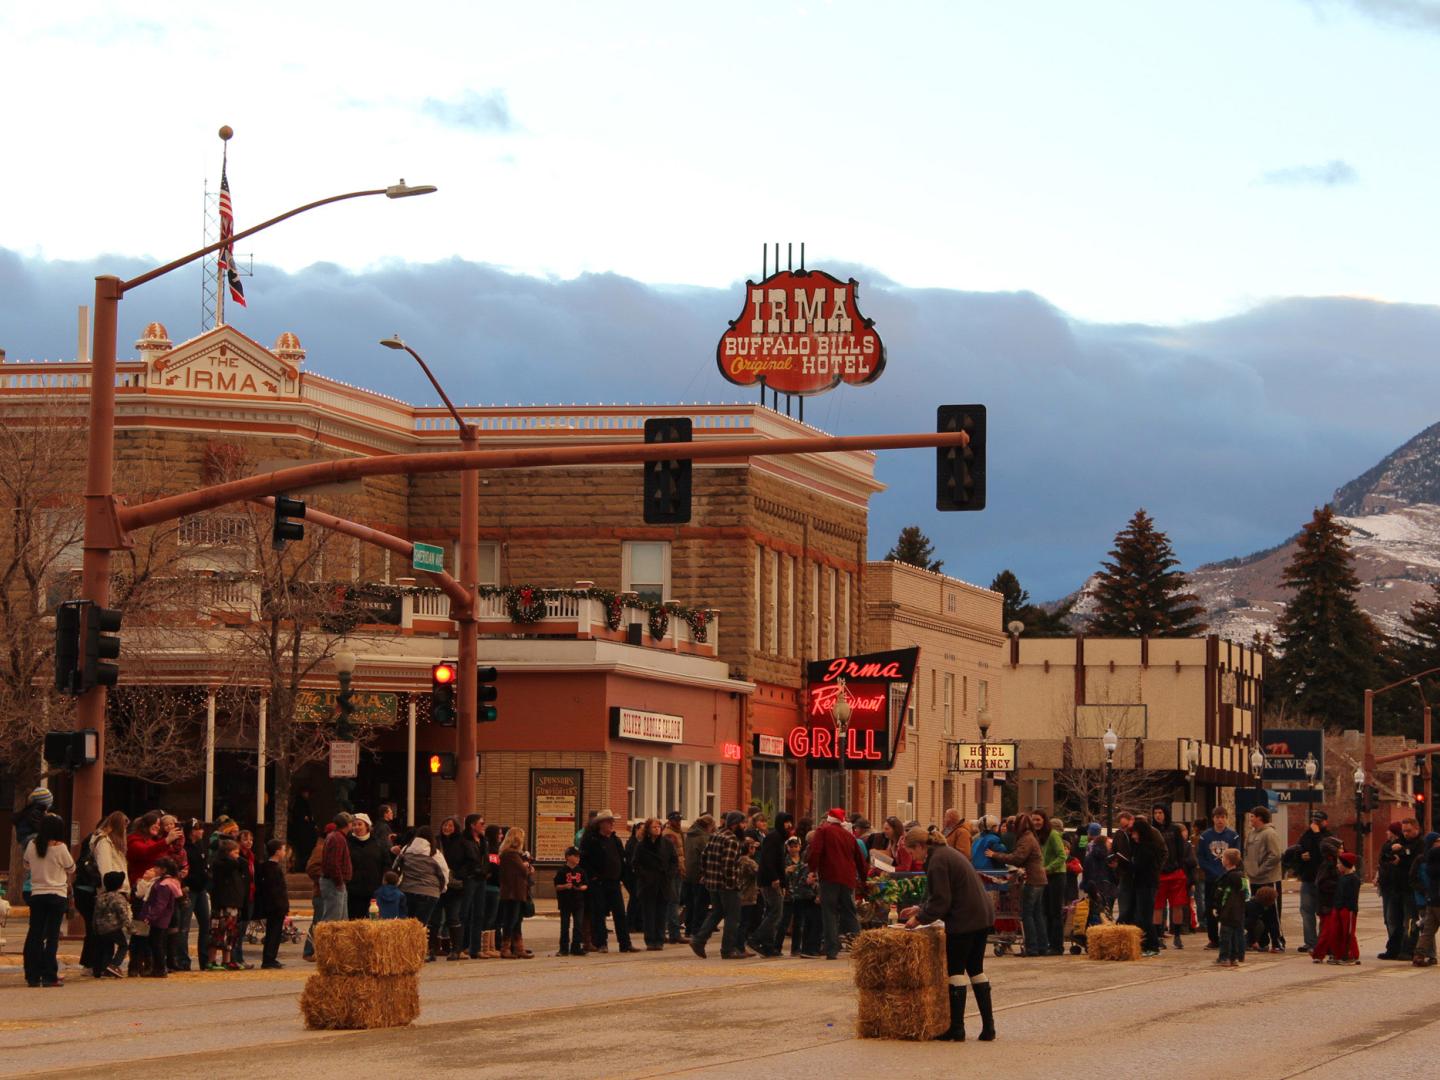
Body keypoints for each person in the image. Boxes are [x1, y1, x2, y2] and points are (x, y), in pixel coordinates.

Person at [899, 826, 997, 1041]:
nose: (913, 857)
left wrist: (919, 919)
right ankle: (988, 1027)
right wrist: (920, 908)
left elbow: (942, 900)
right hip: (982, 916)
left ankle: (957, 1028)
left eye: (912, 851)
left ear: (920, 846)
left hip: (964, 919)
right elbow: (939, 894)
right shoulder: (946, 853)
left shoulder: (937, 861)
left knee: (955, 971)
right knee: (976, 970)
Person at [806, 807, 869, 961]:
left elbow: (815, 852)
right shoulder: (849, 836)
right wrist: (863, 878)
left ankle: (832, 949)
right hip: (848, 879)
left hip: (829, 876)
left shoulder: (823, 831)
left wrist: (812, 870)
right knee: (850, 911)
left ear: (828, 819)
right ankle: (861, 946)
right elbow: (860, 860)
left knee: (829, 912)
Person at [22, 813, 73, 988]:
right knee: (52, 936)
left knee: (35, 935)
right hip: (57, 894)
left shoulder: (32, 845)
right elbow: (71, 867)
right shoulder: (60, 847)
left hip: (37, 894)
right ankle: (49, 975)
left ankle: (33, 975)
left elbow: (26, 864)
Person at [691, 810, 750, 960]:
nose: (745, 826)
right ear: (735, 824)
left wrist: (705, 874)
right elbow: (728, 865)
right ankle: (727, 949)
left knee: (717, 912)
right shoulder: (731, 840)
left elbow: (704, 856)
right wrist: (733, 884)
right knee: (733, 917)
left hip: (713, 883)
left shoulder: (716, 834)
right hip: (726, 885)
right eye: (743, 823)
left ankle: (699, 940)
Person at [78, 811, 128, 973]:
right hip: (107, 890)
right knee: (104, 930)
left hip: (105, 889)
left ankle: (97, 963)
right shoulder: (104, 842)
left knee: (101, 930)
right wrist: (114, 888)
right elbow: (105, 868)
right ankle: (99, 964)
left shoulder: (106, 841)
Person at [580, 809, 636, 953]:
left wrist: (625, 877)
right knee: (599, 914)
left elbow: (622, 860)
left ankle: (625, 944)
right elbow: (584, 861)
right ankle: (601, 943)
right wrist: (592, 877)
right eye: (609, 822)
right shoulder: (591, 840)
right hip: (598, 883)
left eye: (613, 821)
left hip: (614, 882)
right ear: (600, 824)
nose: (612, 824)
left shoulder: (615, 840)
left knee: (620, 914)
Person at [992, 812, 1047, 956]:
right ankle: (1041, 946)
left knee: (1027, 914)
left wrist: (995, 855)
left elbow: (1017, 858)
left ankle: (1032, 948)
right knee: (1036, 914)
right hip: (1039, 879)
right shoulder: (1031, 837)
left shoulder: (1026, 839)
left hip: (1032, 879)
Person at [1379, 818, 1424, 960]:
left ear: (1416, 829)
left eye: (1408, 830)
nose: (1406, 834)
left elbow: (1416, 861)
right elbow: (1385, 855)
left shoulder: (1421, 844)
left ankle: (1408, 950)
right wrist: (1390, 851)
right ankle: (1393, 949)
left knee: (1409, 922)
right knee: (1393, 920)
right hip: (1395, 888)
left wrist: (1402, 856)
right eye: (1404, 831)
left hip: (1410, 889)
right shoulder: (1400, 842)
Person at [751, 811, 794, 956]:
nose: (789, 825)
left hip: (773, 880)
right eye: (786, 822)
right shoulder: (774, 837)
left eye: (790, 822)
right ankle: (756, 938)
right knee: (776, 912)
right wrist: (775, 878)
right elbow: (768, 860)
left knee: (771, 912)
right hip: (770, 881)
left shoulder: (779, 838)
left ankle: (768, 946)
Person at [1197, 807, 1240, 949]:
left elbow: (1237, 855)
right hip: (1211, 878)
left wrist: (1226, 872)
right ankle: (1213, 939)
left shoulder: (1233, 836)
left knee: (1227, 909)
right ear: (1213, 819)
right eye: (1217, 817)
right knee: (1210, 909)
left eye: (1222, 817)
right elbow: (1201, 857)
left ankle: (1227, 938)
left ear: (1226, 818)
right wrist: (1212, 871)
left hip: (1227, 878)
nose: (1220, 820)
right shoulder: (1205, 836)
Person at [1243, 806, 1284, 953]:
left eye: (1252, 816)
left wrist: (1261, 870)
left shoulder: (1270, 833)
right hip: (1254, 880)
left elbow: (1275, 855)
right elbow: (1246, 854)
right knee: (1256, 913)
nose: (1250, 819)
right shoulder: (1251, 834)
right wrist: (1248, 871)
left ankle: (1277, 941)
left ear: (1260, 818)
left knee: (1272, 913)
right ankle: (1261, 941)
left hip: (1268, 879)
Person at [633, 817, 676, 950]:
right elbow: (636, 863)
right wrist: (645, 876)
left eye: (659, 826)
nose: (657, 829)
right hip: (648, 884)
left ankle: (660, 939)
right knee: (649, 913)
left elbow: (674, 861)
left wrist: (669, 874)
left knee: (661, 913)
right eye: (654, 827)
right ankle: (650, 940)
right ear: (648, 830)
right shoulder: (641, 845)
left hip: (663, 882)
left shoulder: (667, 843)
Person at [1150, 804, 1189, 949]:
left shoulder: (1174, 830)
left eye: (1160, 812)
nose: (1158, 815)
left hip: (1175, 872)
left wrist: (1179, 866)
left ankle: (1177, 935)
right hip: (1159, 874)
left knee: (1177, 905)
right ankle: (1159, 936)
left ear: (1165, 813)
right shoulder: (1152, 830)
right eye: (1155, 813)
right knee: (1158, 907)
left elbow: (1181, 850)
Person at [1296, 810, 1333, 954]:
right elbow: (1299, 849)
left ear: (1325, 822)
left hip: (1323, 880)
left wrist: (1317, 834)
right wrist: (1301, 856)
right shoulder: (1306, 835)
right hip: (1308, 878)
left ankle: (1322, 941)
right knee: (1306, 911)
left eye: (1319, 821)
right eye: (1314, 821)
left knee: (1323, 912)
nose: (1315, 824)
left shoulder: (1328, 836)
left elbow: (1324, 851)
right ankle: (1310, 942)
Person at [208, 837, 247, 971]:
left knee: (231, 934)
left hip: (233, 902)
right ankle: (211, 960)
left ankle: (227, 960)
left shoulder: (235, 866)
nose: (238, 856)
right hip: (222, 903)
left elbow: (243, 865)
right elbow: (233, 864)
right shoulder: (221, 864)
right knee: (218, 932)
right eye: (235, 853)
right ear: (228, 852)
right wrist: (233, 858)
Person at [1129, 815, 1166, 957]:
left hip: (1147, 884)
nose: (1132, 836)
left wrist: (1127, 864)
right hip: (1142, 883)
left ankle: (1153, 945)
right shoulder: (1140, 846)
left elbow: (1139, 866)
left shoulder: (1147, 848)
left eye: (1134, 833)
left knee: (1145, 916)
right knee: (1141, 915)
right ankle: (1146, 944)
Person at [140, 858, 182, 978]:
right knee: (156, 943)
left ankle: (160, 968)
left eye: (157, 867)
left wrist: (150, 916)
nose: (154, 869)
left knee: (156, 943)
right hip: (161, 918)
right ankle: (158, 968)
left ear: (163, 870)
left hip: (159, 919)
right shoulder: (166, 882)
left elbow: (160, 904)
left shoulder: (164, 884)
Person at [497, 827, 534, 959]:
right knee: (510, 920)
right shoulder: (510, 854)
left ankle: (519, 948)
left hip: (516, 891)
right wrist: (527, 867)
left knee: (517, 920)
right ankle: (505, 948)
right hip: (512, 892)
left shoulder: (510, 854)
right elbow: (523, 871)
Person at [346, 813, 390, 921]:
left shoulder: (378, 844)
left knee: (373, 922)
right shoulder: (348, 844)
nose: (357, 827)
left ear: (367, 826)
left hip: (373, 890)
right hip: (353, 891)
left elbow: (386, 864)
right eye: (354, 825)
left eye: (360, 824)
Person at [255, 838, 290, 968]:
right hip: (275, 906)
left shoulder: (271, 867)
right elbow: (275, 890)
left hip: (275, 905)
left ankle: (271, 957)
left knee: (275, 933)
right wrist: (281, 905)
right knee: (273, 933)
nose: (285, 852)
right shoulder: (271, 868)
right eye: (283, 849)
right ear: (277, 852)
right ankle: (269, 958)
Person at [91, 871, 133, 979]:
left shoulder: (100, 897)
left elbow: (95, 914)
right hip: (113, 927)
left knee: (106, 948)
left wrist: (95, 927)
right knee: (123, 946)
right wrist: (129, 927)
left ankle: (102, 969)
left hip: (101, 927)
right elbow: (123, 914)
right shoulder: (118, 898)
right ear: (119, 885)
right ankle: (114, 965)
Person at [1212, 848, 1247, 968]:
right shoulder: (1242, 876)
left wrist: (1217, 907)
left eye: (1223, 858)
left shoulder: (1227, 878)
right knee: (1236, 935)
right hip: (1238, 910)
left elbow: (1222, 894)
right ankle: (1235, 957)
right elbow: (1246, 894)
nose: (1222, 860)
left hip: (1227, 910)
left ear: (1227, 861)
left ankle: (1224, 957)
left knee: (1225, 935)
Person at [1410, 831, 1440, 967]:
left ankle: (1419, 955)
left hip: (1431, 900)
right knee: (1428, 930)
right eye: (1438, 841)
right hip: (1435, 899)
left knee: (1427, 930)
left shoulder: (1428, 862)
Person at [554, 847, 589, 957]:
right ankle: (563, 948)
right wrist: (565, 886)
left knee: (578, 925)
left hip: (579, 902)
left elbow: (585, 884)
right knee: (565, 926)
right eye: (575, 856)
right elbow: (556, 886)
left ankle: (576, 947)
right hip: (565, 902)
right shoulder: (561, 871)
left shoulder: (581, 871)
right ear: (568, 857)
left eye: (578, 856)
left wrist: (582, 887)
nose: (578, 858)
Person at [683, 814, 714, 936]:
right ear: (708, 826)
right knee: (701, 905)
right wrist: (705, 873)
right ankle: (698, 930)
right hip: (700, 876)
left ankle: (689, 928)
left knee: (690, 904)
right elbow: (706, 857)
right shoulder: (704, 838)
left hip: (688, 873)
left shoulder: (689, 836)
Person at [663, 810, 688, 944]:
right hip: (674, 872)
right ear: (670, 820)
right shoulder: (669, 834)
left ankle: (671, 931)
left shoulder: (677, 833)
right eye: (676, 820)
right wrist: (678, 869)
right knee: (672, 902)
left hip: (679, 871)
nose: (679, 822)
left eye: (680, 820)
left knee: (674, 902)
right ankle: (674, 932)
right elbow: (672, 856)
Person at [1082, 829, 1114, 926]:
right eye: (1108, 842)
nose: (1110, 845)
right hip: (1104, 888)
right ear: (1104, 844)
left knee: (1095, 914)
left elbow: (1086, 874)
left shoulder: (1090, 856)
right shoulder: (1106, 857)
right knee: (1105, 915)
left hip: (1092, 888)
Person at [1246, 886, 1280, 952]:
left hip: (1245, 924)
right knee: (1259, 924)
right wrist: (1253, 941)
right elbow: (1250, 924)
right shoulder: (1254, 908)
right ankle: (1247, 943)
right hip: (1243, 926)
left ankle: (1259, 943)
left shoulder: (1258, 905)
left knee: (1262, 923)